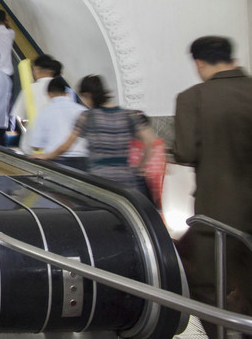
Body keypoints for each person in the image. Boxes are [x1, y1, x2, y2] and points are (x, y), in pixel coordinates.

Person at [173, 36, 252, 335]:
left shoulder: (193, 98)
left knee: (208, 287)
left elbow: (186, 152)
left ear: (199, 63)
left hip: (217, 213)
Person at [34, 75, 156, 196]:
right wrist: (141, 166)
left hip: (100, 178)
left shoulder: (87, 117)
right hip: (126, 178)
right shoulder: (129, 115)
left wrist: (47, 156)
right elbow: (151, 141)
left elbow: (65, 146)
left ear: (88, 95)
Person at [25, 76, 89, 170]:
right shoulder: (82, 110)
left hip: (57, 161)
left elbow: (36, 146)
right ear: (67, 93)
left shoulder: (44, 113)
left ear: (49, 94)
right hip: (84, 161)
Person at [12, 54, 61, 153]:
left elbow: (20, 118)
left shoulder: (29, 89)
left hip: (32, 147)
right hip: (56, 147)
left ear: (37, 70)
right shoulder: (64, 91)